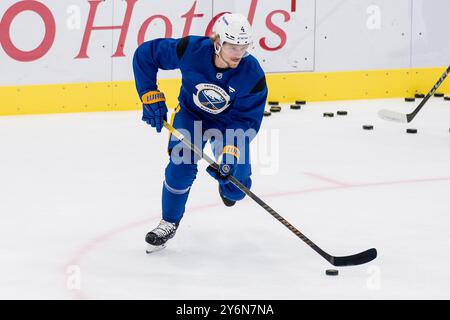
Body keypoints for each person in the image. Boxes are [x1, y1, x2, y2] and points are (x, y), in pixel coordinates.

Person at [132, 13, 268, 253]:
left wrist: (229, 154)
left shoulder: (252, 73)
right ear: (218, 42)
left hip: (229, 125)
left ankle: (229, 189)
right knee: (180, 166)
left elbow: (246, 119)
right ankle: (169, 222)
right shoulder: (191, 50)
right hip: (191, 117)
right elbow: (146, 54)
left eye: (244, 47)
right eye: (233, 46)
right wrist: (149, 94)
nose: (238, 53)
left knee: (237, 187)